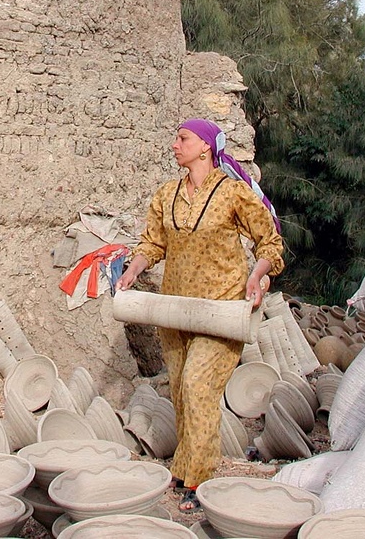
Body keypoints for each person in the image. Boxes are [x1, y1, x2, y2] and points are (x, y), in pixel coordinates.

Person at [116, 118, 284, 512]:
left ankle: (201, 477)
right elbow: (153, 243)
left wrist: (258, 275)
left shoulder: (233, 194)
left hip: (221, 307)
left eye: (183, 138)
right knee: (179, 390)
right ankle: (184, 466)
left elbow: (269, 241)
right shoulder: (165, 194)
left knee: (197, 385)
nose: (175, 144)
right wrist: (133, 270)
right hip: (175, 310)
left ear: (206, 147)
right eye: (175, 137)